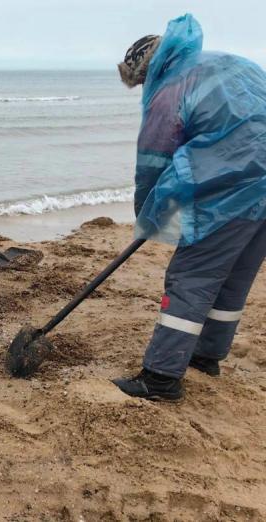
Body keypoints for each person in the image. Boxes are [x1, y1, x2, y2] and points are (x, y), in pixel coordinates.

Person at [112, 14, 266, 401]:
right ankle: (207, 356)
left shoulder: (171, 88)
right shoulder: (229, 63)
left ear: (146, 70)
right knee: (233, 275)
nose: (146, 89)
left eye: (142, 83)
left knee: (192, 276)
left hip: (235, 190)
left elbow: (153, 163)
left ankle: (161, 378)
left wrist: (146, 215)